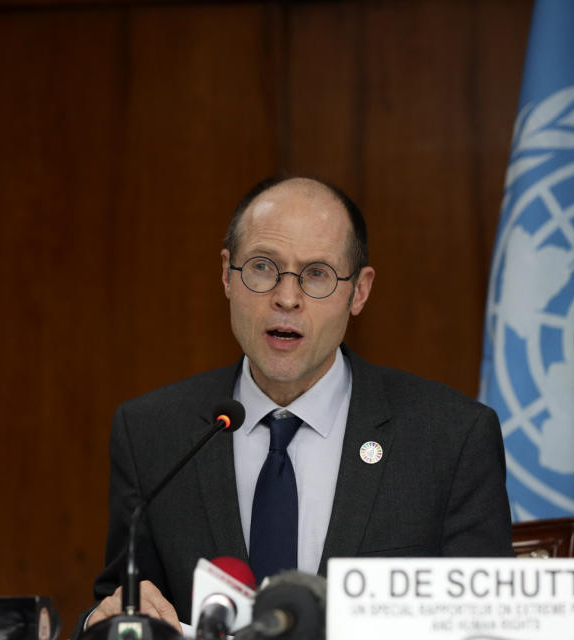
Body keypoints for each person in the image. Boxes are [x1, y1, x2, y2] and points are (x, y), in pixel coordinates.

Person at [76, 176, 513, 635]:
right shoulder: (151, 433)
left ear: (358, 292)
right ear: (227, 275)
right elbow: (116, 604)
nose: (287, 298)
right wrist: (105, 622)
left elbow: (488, 629)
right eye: (263, 267)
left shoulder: (450, 438)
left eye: (317, 274)